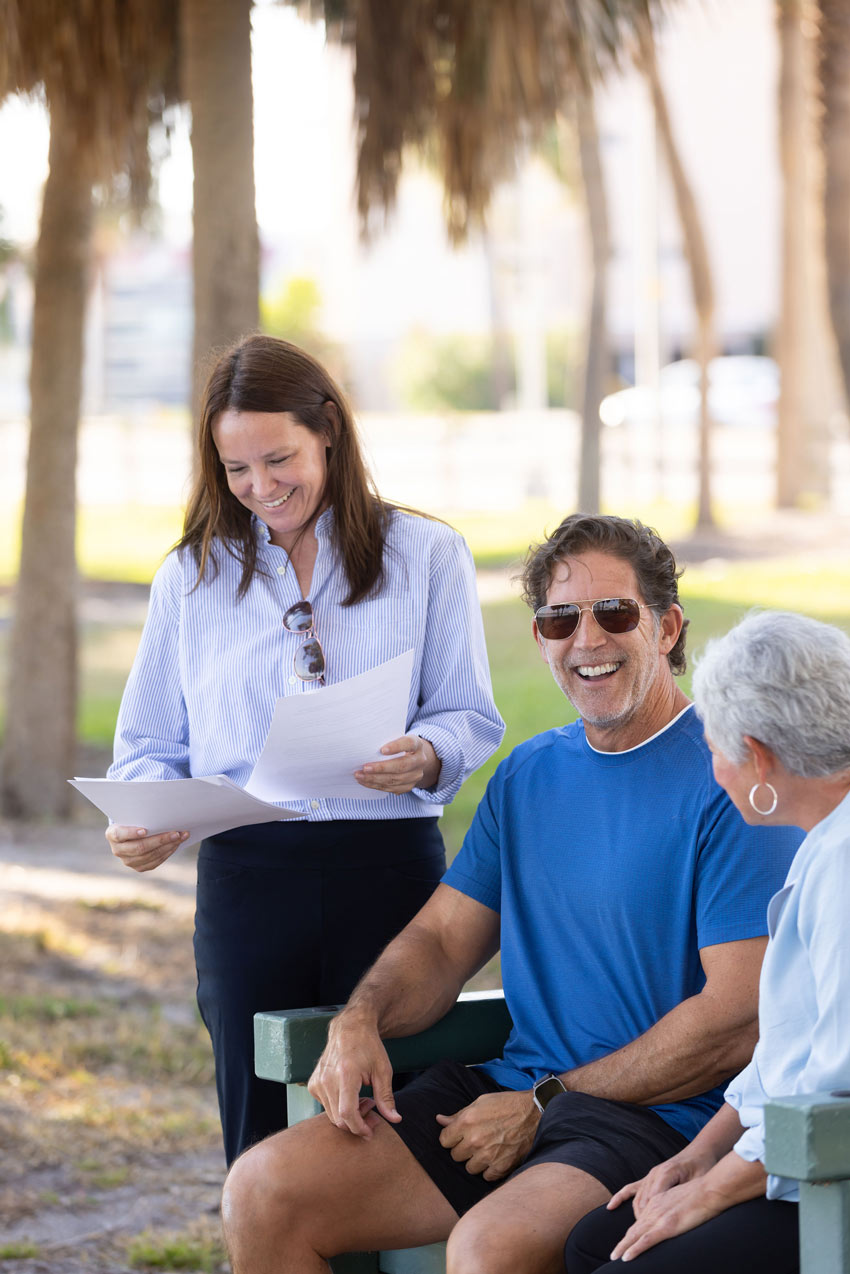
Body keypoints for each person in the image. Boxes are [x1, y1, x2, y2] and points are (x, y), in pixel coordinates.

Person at [220, 513, 802, 1274]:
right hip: (510, 1093)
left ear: (666, 628)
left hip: (659, 1118)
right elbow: (440, 940)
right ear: (540, 638)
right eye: (560, 619)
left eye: (614, 613)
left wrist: (546, 1101)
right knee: (262, 1190)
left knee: (487, 1249)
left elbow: (734, 1020)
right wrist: (361, 1018)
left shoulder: (732, 778)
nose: (586, 640)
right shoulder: (528, 775)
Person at [104, 334, 505, 1165]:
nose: (260, 487)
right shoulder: (191, 577)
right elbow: (147, 744)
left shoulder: (428, 554)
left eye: (278, 458)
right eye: (236, 469)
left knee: (394, 1123)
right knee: (257, 1131)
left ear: (328, 429)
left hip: (389, 877)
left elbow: (467, 712)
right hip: (249, 883)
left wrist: (428, 754)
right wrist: (142, 816)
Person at [564, 609, 850, 1274]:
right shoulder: (824, 838)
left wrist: (710, 1194)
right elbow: (787, 1054)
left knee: (624, 1262)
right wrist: (699, 1156)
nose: (712, 769)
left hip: (830, 1182)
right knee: (595, 1239)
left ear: (759, 757)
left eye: (715, 749)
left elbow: (833, 1093)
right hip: (798, 1153)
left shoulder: (842, 866)